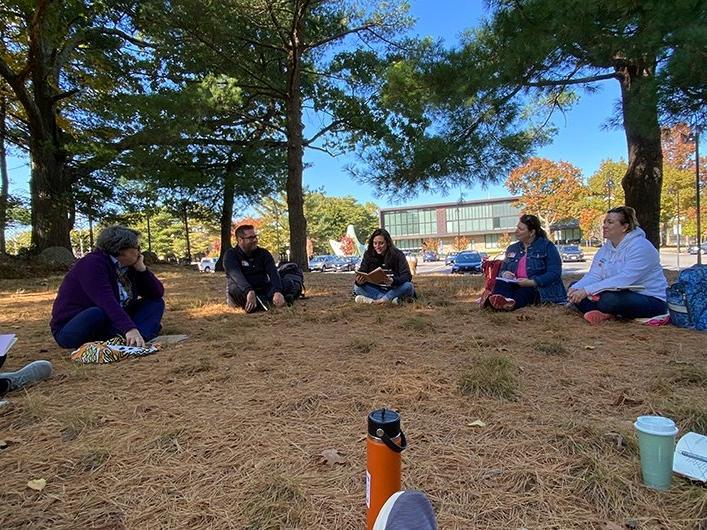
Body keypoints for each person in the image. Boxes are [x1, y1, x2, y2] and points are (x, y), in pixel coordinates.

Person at [51, 225, 165, 349]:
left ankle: (139, 338)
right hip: (74, 327)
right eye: (136, 248)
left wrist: (142, 270)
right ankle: (131, 335)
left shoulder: (130, 265)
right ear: (121, 250)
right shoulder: (92, 264)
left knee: (155, 303)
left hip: (110, 321)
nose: (139, 252)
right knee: (98, 312)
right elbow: (106, 301)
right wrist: (129, 328)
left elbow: (156, 293)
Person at [567, 206, 668, 324]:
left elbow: (624, 279)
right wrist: (577, 288)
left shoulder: (641, 247)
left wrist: (587, 291)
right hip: (617, 292)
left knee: (608, 300)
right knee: (574, 286)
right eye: (605, 222)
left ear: (625, 227)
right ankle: (608, 314)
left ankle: (606, 311)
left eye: (610, 222)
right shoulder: (605, 249)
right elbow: (595, 275)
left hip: (650, 298)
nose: (604, 225)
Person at [487, 214, 566, 311]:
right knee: (500, 282)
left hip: (537, 288)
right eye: (517, 227)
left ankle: (505, 303)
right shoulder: (512, 248)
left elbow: (555, 273)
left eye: (521, 229)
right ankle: (500, 301)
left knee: (525, 292)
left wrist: (532, 282)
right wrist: (505, 274)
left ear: (532, 232)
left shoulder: (547, 247)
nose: (516, 231)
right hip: (515, 284)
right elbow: (503, 270)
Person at [225, 224, 287, 312]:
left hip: (263, 288)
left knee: (286, 283)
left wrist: (278, 291)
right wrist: (249, 290)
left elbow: (273, 273)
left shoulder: (264, 254)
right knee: (235, 289)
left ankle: (269, 300)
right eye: (250, 238)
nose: (255, 240)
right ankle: (265, 302)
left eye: (255, 237)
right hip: (242, 290)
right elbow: (236, 276)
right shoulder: (231, 255)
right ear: (240, 240)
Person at [353, 228, 414, 304]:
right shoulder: (368, 254)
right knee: (357, 288)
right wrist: (359, 281)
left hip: (394, 288)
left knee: (408, 286)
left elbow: (407, 276)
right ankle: (391, 300)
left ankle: (376, 301)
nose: (377, 246)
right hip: (376, 289)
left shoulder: (398, 255)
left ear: (388, 243)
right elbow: (363, 271)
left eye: (381, 243)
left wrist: (393, 280)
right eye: (375, 243)